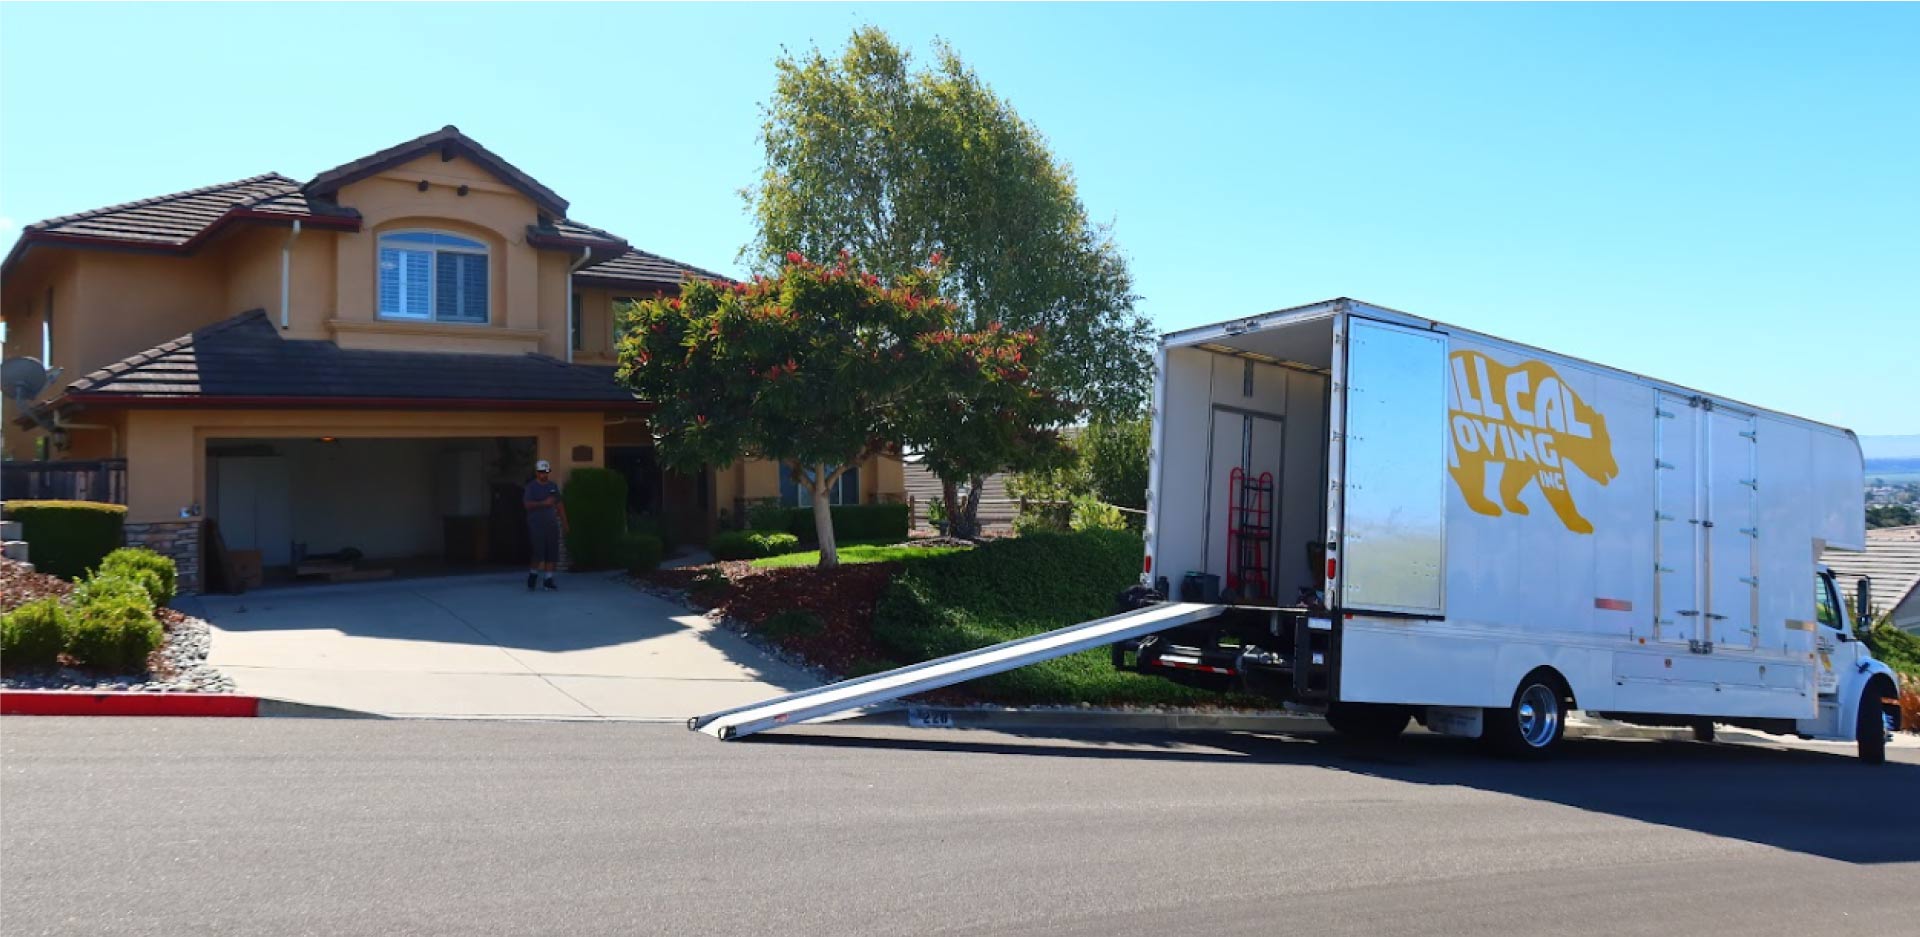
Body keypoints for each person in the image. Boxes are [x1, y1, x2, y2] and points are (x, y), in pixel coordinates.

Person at [523, 460, 568, 591]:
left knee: (551, 552)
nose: (544, 474)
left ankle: (548, 579)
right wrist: (544, 503)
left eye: (546, 472)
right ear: (537, 473)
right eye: (542, 472)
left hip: (552, 524)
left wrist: (565, 523)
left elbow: (559, 505)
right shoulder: (531, 487)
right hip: (536, 525)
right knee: (538, 552)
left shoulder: (552, 486)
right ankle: (533, 576)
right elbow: (527, 505)